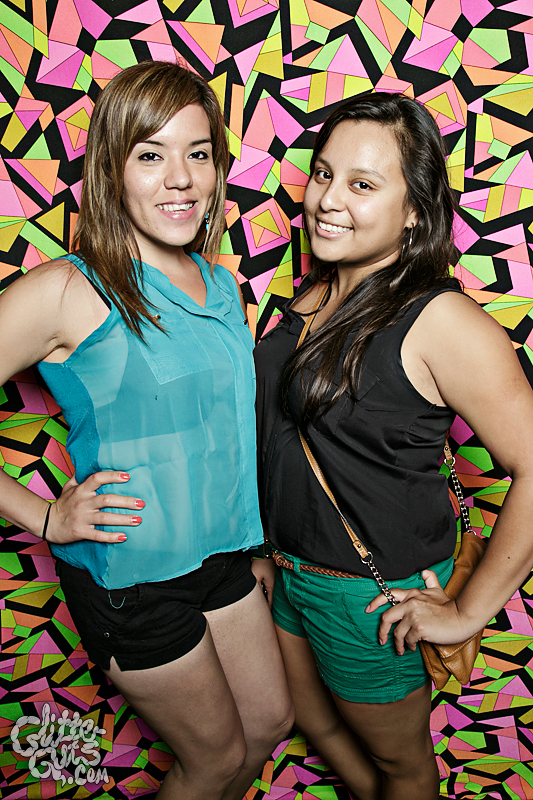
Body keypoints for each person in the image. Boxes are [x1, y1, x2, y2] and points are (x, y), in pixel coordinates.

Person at [0, 60, 293, 800]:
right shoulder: (69, 288)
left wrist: (253, 545)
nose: (181, 179)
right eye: (151, 155)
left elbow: (222, 429)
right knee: (214, 761)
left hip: (222, 558)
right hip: (133, 578)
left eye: (198, 153)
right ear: (112, 169)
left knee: (268, 725)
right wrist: (43, 516)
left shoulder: (220, 282)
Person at [252, 92, 533, 800]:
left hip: (369, 601)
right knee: (312, 722)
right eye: (324, 174)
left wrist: (467, 613)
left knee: (403, 768)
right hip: (288, 572)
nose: (327, 199)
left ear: (413, 211)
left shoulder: (439, 319)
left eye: (362, 184)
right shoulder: (312, 297)